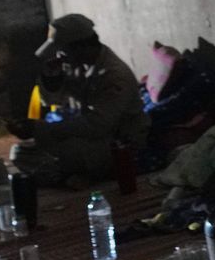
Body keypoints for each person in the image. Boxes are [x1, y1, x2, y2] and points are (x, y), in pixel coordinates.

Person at [8, 13, 148, 184]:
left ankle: (66, 175)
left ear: (81, 48)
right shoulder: (77, 65)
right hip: (88, 138)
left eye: (62, 51)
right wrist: (51, 77)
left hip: (118, 142)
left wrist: (42, 129)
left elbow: (97, 126)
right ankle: (66, 174)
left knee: (68, 153)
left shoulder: (114, 76)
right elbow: (53, 102)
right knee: (20, 152)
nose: (59, 56)